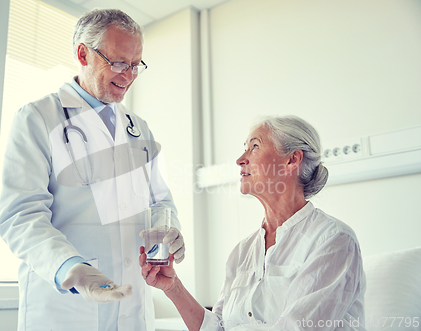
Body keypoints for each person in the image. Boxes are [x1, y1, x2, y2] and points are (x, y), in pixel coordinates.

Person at [0, 8, 185, 331]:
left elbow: (160, 202)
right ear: (83, 54)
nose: (127, 75)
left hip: (135, 312)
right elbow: (21, 217)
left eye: (135, 65)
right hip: (68, 313)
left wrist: (171, 233)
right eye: (117, 63)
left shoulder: (138, 129)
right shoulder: (39, 119)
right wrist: (71, 268)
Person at [140, 115, 366, 331]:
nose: (240, 159)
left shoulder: (333, 240)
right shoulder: (242, 252)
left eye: (254, 147)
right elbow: (218, 327)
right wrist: (173, 287)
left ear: (292, 160)